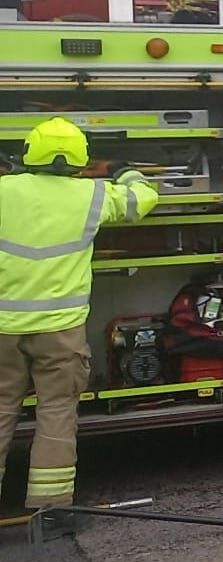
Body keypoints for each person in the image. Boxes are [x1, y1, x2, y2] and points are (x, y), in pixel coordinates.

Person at [0, 118, 158, 518]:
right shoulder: (91, 194)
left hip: (3, 328)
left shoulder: (4, 191)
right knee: (55, 413)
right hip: (60, 331)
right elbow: (143, 197)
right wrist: (122, 169)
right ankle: (49, 509)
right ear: (80, 160)